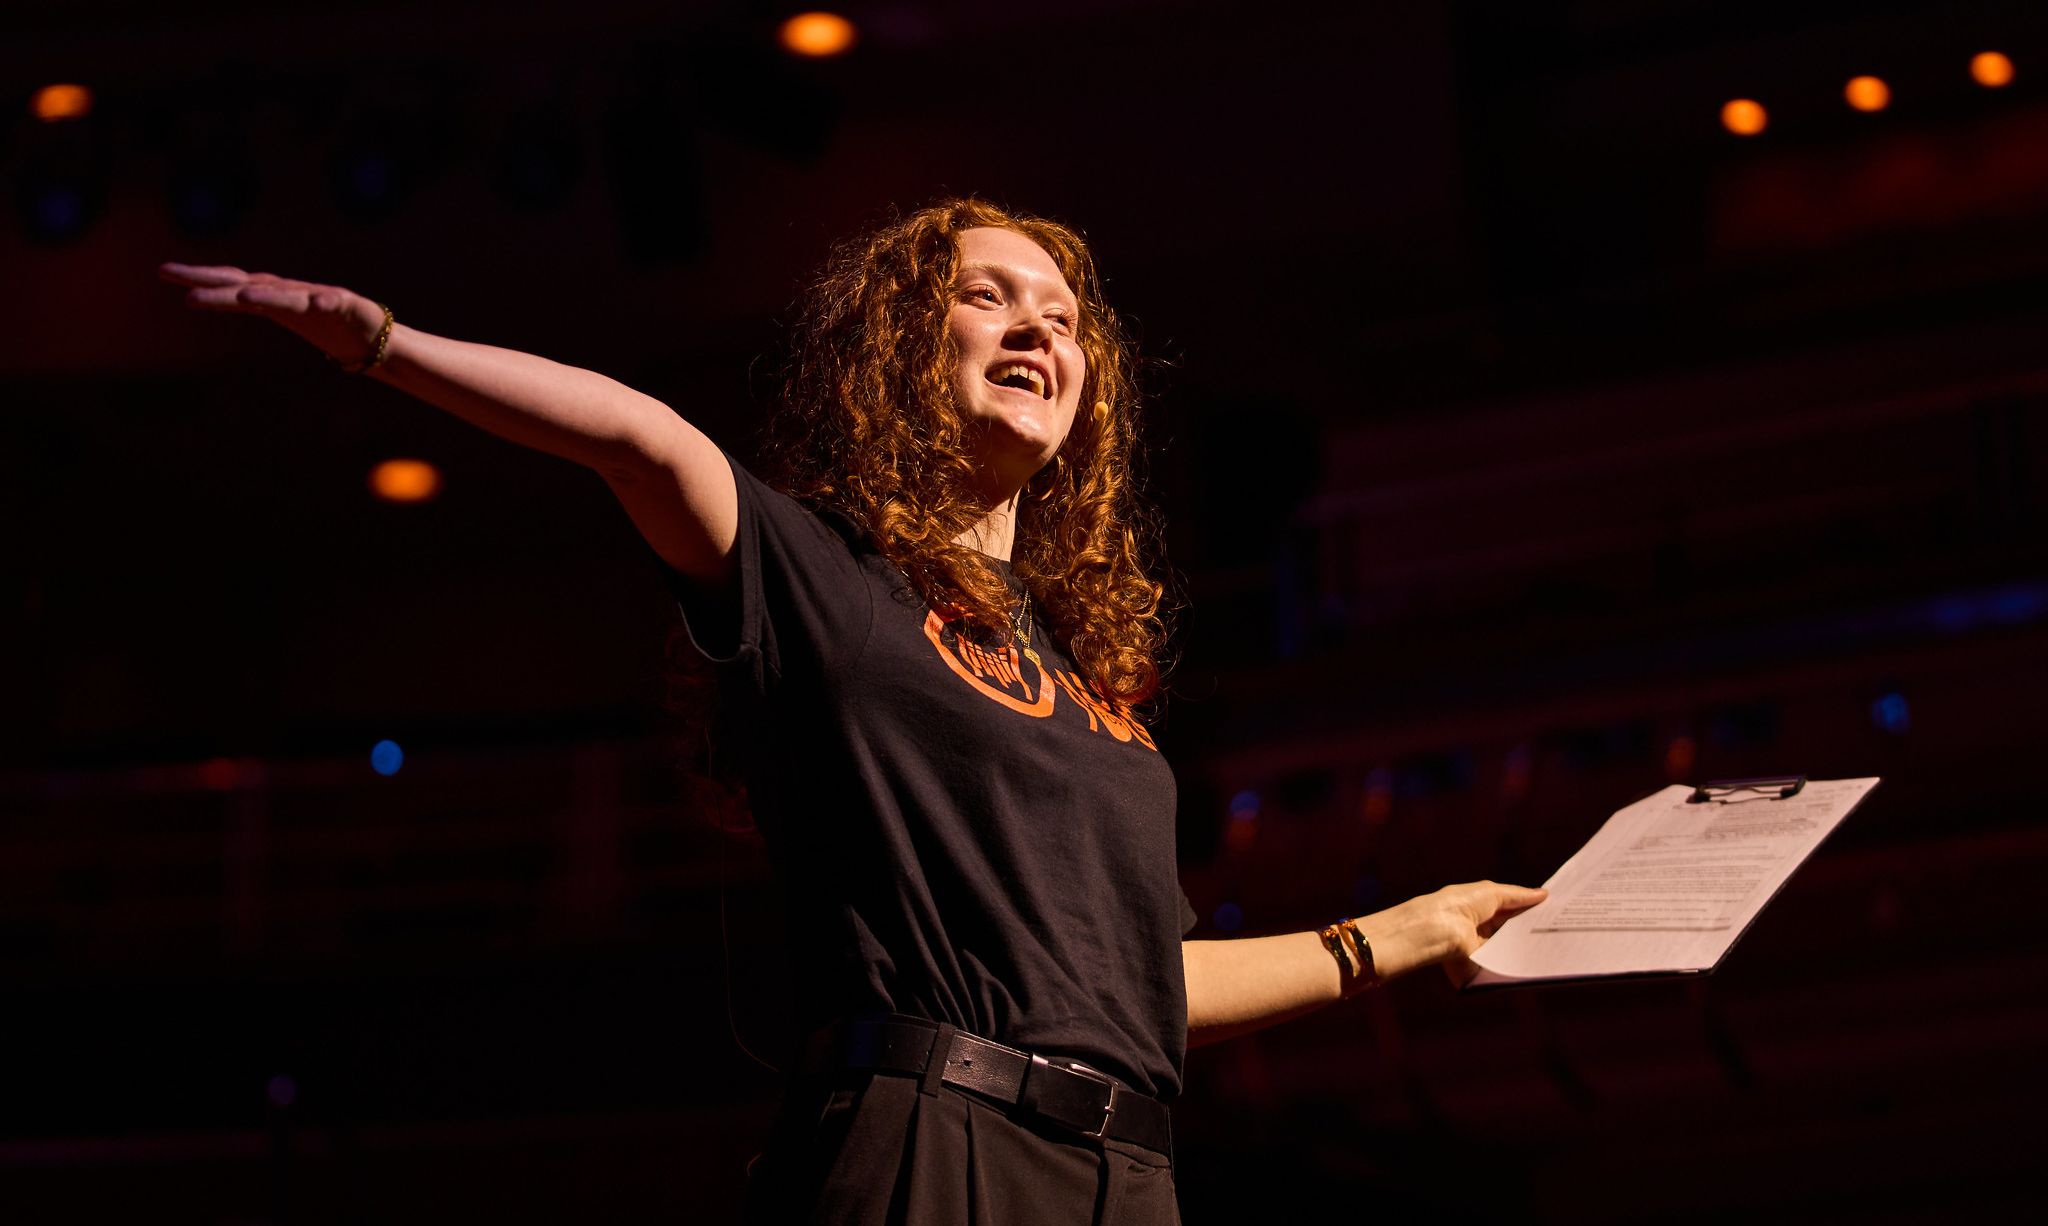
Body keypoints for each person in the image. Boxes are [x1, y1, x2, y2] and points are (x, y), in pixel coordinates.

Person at [160, 197, 1545, 1225]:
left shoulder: (1086, 686)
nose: (1038, 328)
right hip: (930, 1142)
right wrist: (385, 343)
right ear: (904, 346)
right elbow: (640, 441)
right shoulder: (825, 575)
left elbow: (1143, 989)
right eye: (991, 297)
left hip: (1126, 1173)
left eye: (1063, 318)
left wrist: (1410, 930)